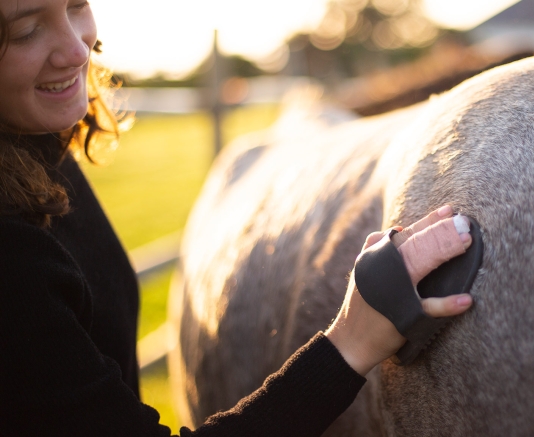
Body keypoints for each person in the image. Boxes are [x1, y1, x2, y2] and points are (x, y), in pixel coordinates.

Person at [0, 1, 474, 436]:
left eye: (76, 5)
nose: (76, 49)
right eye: (25, 31)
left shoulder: (39, 152)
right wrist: (353, 340)